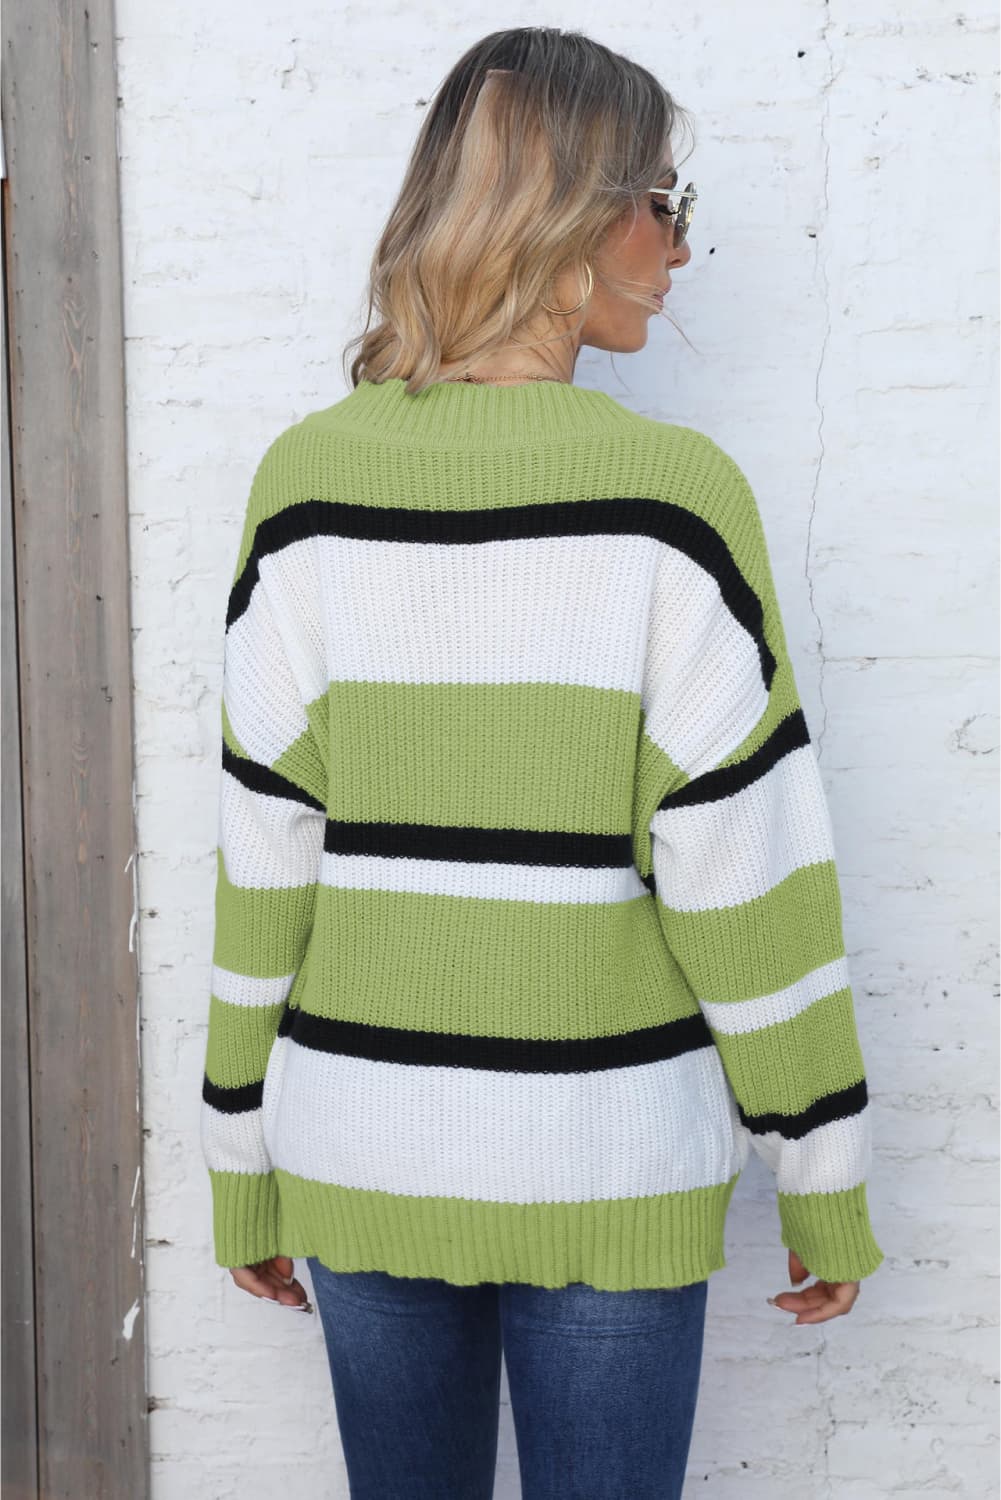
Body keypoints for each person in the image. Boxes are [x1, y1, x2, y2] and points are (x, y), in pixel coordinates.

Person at [200, 25, 884, 1499]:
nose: (678, 249)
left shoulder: (306, 485)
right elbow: (747, 878)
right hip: (605, 1154)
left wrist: (238, 1155)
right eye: (665, 205)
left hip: (361, 1141)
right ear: (574, 213)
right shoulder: (670, 501)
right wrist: (821, 1175)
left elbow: (265, 858)